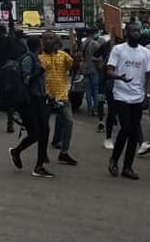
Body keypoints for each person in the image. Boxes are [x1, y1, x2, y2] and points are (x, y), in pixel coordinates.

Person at [106, 22, 150, 180]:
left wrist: (147, 95)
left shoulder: (145, 52)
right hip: (121, 94)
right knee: (125, 128)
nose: (136, 33)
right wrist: (118, 77)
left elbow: (149, 75)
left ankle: (128, 167)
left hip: (138, 96)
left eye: (138, 31)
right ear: (126, 33)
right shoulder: (118, 49)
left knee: (133, 132)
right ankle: (114, 159)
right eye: (133, 30)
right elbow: (109, 70)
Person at [9, 35, 52, 177]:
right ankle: (16, 151)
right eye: (41, 43)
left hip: (38, 99)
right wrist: (40, 71)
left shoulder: (35, 58)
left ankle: (39, 165)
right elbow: (27, 80)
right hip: (29, 102)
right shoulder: (28, 59)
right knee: (36, 133)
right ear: (38, 45)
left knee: (44, 131)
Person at [39, 31, 77, 166]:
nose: (48, 41)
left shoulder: (63, 56)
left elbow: (73, 66)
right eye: (46, 39)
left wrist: (77, 57)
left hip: (62, 96)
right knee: (43, 127)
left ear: (55, 41)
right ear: (42, 41)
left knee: (69, 122)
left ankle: (64, 153)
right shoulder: (39, 57)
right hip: (46, 97)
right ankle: (42, 154)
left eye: (51, 38)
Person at [79, 28, 101, 116]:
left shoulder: (83, 43)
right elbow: (99, 57)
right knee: (95, 90)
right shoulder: (95, 44)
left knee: (87, 90)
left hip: (85, 69)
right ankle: (95, 109)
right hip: (94, 69)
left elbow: (81, 56)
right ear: (93, 33)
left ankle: (89, 109)